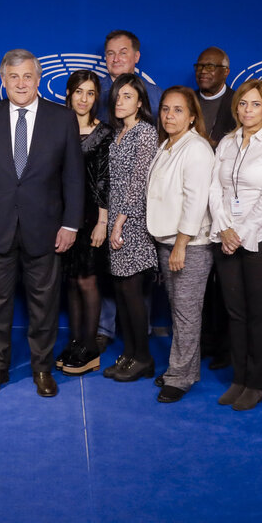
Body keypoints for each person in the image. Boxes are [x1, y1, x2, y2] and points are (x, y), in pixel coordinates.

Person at [0, 49, 83, 397]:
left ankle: (42, 369)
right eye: (13, 77)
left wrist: (71, 224)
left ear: (38, 78)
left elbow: (73, 178)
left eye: (27, 76)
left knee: (44, 305)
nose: (21, 83)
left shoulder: (61, 119)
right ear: (2, 81)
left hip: (46, 229)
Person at [208, 79, 262, 411]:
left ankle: (257, 382)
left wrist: (240, 231)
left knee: (258, 314)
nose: (248, 110)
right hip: (226, 237)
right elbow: (214, 189)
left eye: (255, 104)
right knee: (235, 313)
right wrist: (225, 228)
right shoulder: (226, 144)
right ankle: (239, 378)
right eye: (243, 104)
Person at [146, 86, 215, 402]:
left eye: (177, 110)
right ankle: (183, 368)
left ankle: (181, 377)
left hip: (188, 244)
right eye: (165, 109)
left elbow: (196, 201)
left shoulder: (197, 149)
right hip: (167, 240)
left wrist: (181, 245)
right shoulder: (167, 145)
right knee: (179, 311)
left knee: (187, 314)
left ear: (191, 117)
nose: (169, 115)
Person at [104, 73, 159, 383]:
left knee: (133, 292)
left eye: (127, 96)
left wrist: (121, 223)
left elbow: (138, 182)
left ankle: (144, 358)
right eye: (117, 96)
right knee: (123, 293)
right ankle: (129, 353)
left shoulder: (145, 133)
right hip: (115, 218)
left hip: (133, 222)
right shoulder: (117, 134)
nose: (120, 101)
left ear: (140, 102)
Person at [56, 69, 112, 376]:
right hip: (64, 215)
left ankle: (90, 348)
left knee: (88, 280)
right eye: (79, 91)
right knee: (73, 280)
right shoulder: (56, 128)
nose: (84, 98)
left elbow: (104, 181)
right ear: (69, 93)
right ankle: (77, 341)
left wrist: (102, 221)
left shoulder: (103, 133)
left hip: (91, 215)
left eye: (90, 93)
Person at [193, 47, 235, 372]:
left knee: (225, 281)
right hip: (193, 205)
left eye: (212, 66)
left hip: (226, 207)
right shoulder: (187, 103)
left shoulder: (238, 104)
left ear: (225, 70)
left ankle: (225, 347)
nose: (204, 71)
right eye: (200, 65)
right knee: (198, 280)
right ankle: (203, 341)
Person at [194, 47, 236, 144]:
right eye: (199, 66)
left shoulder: (238, 102)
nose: (203, 71)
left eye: (210, 67)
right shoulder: (186, 100)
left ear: (226, 72)